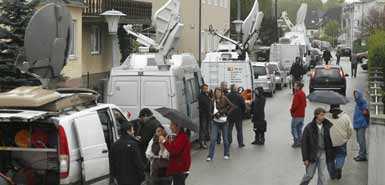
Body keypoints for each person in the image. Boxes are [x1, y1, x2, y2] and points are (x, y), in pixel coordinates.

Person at [300, 108, 335, 185]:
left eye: (324, 115)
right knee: (309, 174)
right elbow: (304, 144)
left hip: (323, 152)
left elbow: (331, 140)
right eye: (321, 115)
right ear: (316, 115)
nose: (323, 117)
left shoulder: (327, 126)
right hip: (312, 154)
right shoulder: (309, 128)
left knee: (322, 175)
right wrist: (305, 158)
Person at [207, 88, 235, 161]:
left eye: (219, 92)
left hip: (224, 122)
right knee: (213, 139)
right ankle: (210, 156)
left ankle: (226, 154)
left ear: (221, 93)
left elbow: (232, 106)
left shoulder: (224, 99)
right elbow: (209, 111)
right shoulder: (212, 101)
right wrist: (213, 115)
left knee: (225, 139)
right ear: (214, 93)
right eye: (216, 92)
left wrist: (225, 113)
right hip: (215, 122)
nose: (217, 94)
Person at [325, 105, 353, 180]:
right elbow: (350, 129)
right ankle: (338, 168)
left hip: (329, 141)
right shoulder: (345, 116)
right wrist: (347, 138)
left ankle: (332, 175)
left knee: (329, 158)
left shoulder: (326, 116)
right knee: (340, 155)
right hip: (342, 141)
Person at [137, 108, 161, 184]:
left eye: (141, 118)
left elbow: (144, 139)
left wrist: (138, 138)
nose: (141, 120)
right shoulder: (156, 122)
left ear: (146, 116)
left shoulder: (149, 125)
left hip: (148, 153)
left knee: (148, 175)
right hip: (156, 153)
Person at [353, 90, 369, 161]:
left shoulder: (362, 101)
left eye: (357, 94)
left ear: (359, 94)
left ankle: (362, 156)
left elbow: (365, 111)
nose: (356, 95)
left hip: (361, 124)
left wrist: (362, 111)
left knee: (361, 140)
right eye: (355, 94)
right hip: (357, 124)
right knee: (359, 140)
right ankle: (361, 154)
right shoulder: (357, 102)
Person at [290, 82, 307, 148]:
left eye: (295, 86)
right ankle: (300, 141)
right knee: (299, 129)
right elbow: (305, 104)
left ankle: (296, 142)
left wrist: (291, 110)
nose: (294, 87)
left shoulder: (297, 94)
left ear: (298, 87)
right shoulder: (303, 93)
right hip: (302, 115)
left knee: (294, 128)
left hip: (296, 115)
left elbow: (295, 105)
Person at [198, 84, 212, 149]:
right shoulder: (201, 96)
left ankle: (204, 142)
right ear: (202, 89)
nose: (206, 89)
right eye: (205, 88)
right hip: (203, 114)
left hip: (207, 114)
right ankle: (202, 143)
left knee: (206, 128)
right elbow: (206, 104)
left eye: (207, 88)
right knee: (203, 129)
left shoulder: (206, 95)